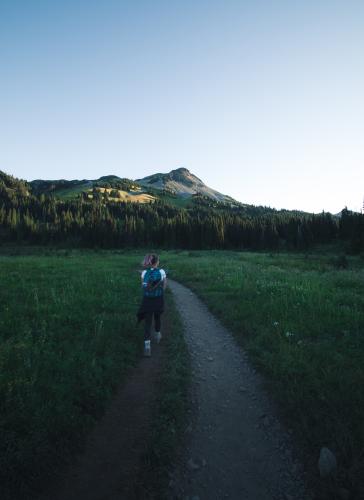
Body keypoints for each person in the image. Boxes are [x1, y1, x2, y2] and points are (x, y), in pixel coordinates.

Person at [137, 254, 167, 357]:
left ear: (149, 262)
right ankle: (158, 335)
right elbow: (163, 288)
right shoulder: (162, 272)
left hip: (147, 300)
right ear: (157, 262)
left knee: (148, 322)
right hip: (158, 299)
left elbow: (143, 287)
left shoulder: (144, 272)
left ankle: (147, 347)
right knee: (157, 317)